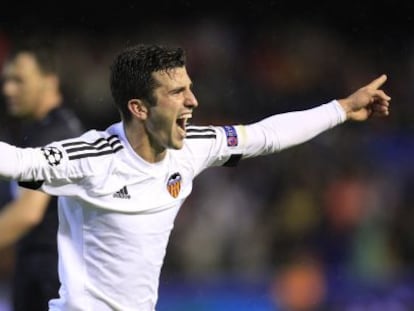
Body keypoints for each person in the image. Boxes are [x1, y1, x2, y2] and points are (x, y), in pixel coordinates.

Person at [0, 44, 390, 311]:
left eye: (190, 88)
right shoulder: (92, 158)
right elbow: (18, 162)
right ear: (138, 107)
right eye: (177, 92)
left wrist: (341, 108)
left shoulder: (193, 147)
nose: (193, 101)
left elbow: (267, 136)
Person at [0, 41, 84, 311]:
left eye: (19, 80)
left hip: (52, 278)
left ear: (49, 82)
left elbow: (28, 212)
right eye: (6, 80)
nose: (8, 89)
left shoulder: (56, 135)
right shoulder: (39, 130)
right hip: (40, 274)